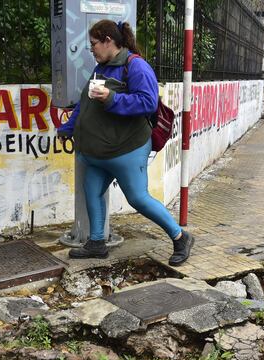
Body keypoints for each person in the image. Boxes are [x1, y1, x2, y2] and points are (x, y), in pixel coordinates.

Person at [57, 19, 194, 266]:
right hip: (98, 151)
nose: (92, 50)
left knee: (138, 198)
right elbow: (85, 105)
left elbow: (147, 102)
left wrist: (111, 98)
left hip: (127, 149)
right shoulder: (101, 68)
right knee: (92, 191)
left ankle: (180, 236)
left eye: (94, 44)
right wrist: (67, 128)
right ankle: (97, 242)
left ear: (109, 41)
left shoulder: (137, 67)